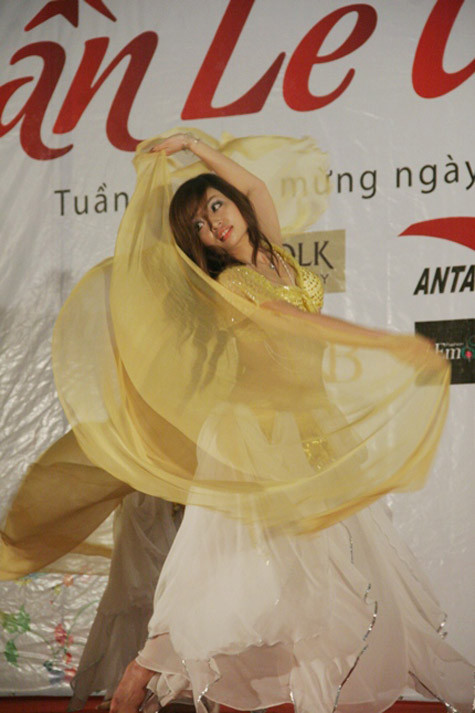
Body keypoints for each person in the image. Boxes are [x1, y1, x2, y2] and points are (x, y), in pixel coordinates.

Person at [0, 130, 472, 713]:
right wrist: (389, 344)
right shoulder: (230, 282)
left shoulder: (277, 254)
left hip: (308, 432)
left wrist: (194, 144)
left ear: (238, 205)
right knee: (221, 574)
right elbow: (295, 323)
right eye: (199, 225)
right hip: (253, 436)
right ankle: (140, 674)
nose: (215, 224)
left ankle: (303, 693)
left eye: (217, 206)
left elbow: (256, 186)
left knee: (331, 575)